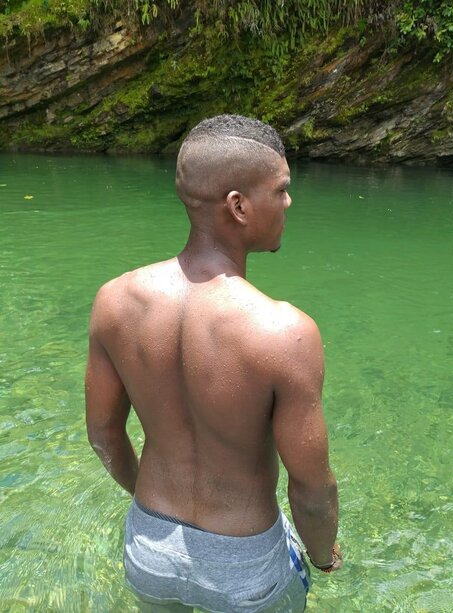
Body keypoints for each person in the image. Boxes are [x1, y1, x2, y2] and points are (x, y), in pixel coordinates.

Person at [85, 114, 341, 613]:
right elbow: (312, 489)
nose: (289, 201)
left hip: (149, 552)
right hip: (245, 570)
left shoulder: (115, 301)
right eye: (281, 189)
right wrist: (322, 556)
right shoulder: (285, 332)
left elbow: (103, 436)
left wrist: (154, 512)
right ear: (239, 206)